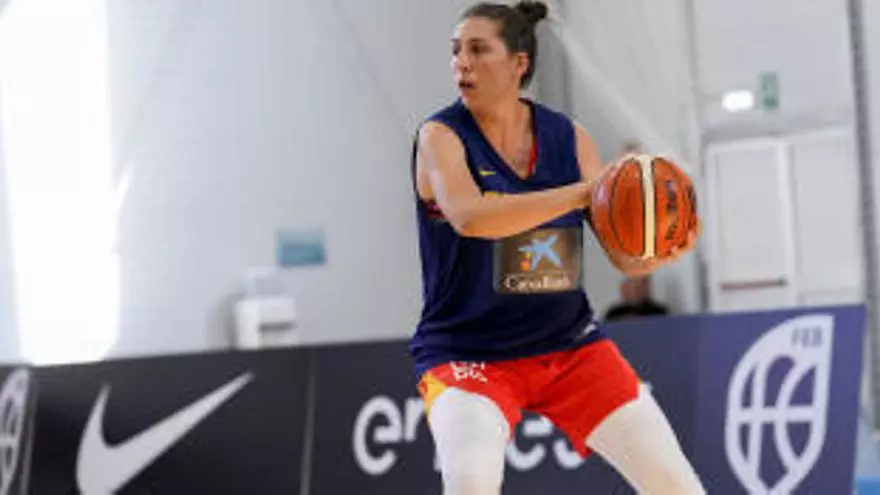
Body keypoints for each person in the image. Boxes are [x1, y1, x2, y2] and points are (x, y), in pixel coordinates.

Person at [410, 2, 704, 494]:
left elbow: (624, 257)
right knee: (470, 483)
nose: (461, 62)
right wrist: (586, 192)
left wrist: (661, 248)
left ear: (518, 64)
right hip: (469, 353)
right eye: (456, 50)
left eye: (478, 49)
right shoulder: (440, 135)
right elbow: (471, 217)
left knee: (678, 486)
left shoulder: (569, 138)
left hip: (570, 347)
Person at [604, 275, 670, 321]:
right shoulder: (613, 314)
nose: (634, 292)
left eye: (638, 288)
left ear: (647, 288)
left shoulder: (659, 312)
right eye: (630, 288)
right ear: (623, 289)